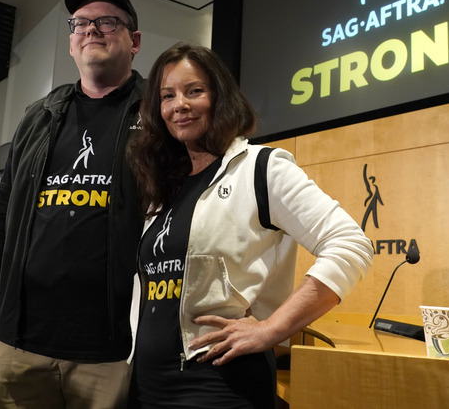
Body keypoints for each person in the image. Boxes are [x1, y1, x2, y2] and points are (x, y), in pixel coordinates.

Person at [126, 43, 374, 408]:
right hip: (147, 386)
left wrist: (271, 329)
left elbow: (350, 243)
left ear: (220, 96)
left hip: (221, 388)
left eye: (194, 90)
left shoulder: (262, 169)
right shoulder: (164, 185)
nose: (180, 104)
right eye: (168, 96)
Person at [0, 0, 145, 409]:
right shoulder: (39, 117)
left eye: (108, 21)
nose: (92, 30)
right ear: (70, 42)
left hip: (112, 349)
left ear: (134, 41)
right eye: (81, 23)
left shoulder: (157, 114)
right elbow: (0, 222)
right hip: (19, 343)